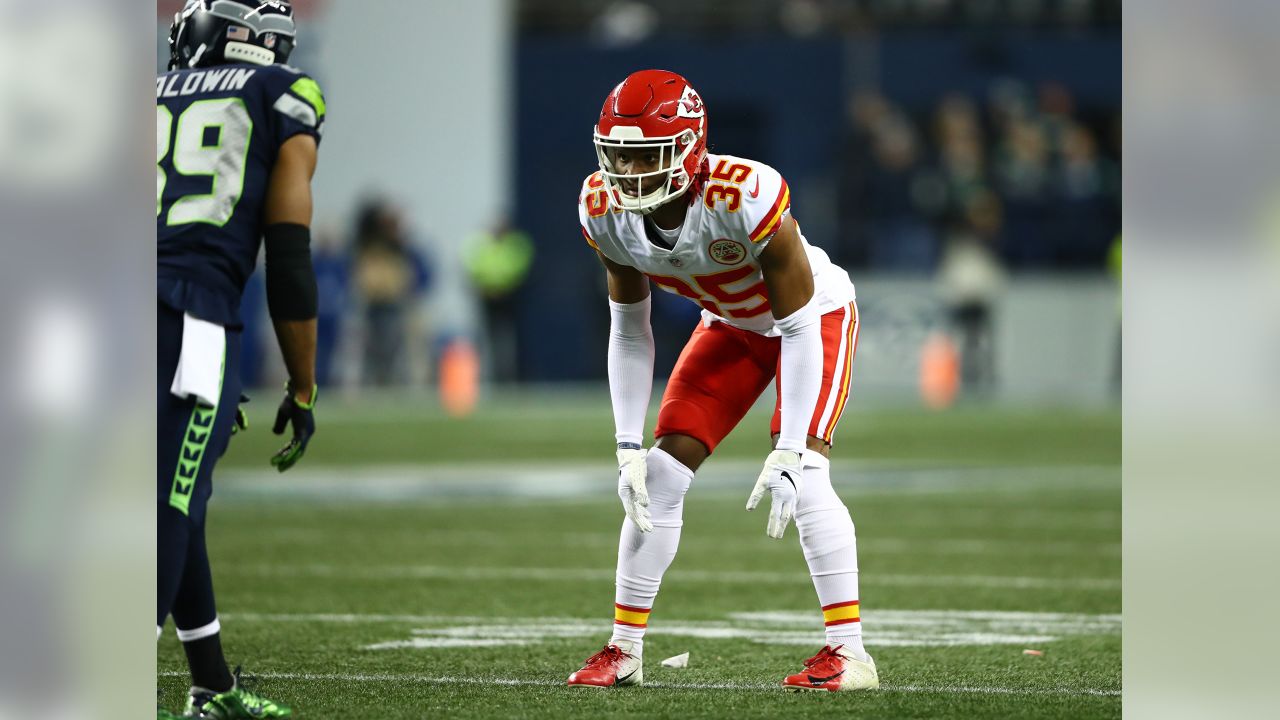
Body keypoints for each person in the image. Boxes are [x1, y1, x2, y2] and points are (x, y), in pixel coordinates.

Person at [567, 70, 877, 692]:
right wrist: (627, 444)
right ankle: (624, 648)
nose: (626, 172)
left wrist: (790, 446)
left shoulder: (745, 194)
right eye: (617, 154)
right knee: (654, 479)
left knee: (806, 474)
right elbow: (629, 328)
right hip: (732, 325)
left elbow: (796, 326)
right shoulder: (605, 211)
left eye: (643, 155)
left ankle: (850, 654)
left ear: (689, 149)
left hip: (812, 320)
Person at [157, 1, 324, 716]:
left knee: (177, 493)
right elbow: (287, 258)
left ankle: (213, 685)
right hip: (187, 313)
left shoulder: (152, 94)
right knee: (167, 503)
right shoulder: (285, 94)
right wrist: (305, 383)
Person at [464, 216, 534, 383]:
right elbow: (472, 270)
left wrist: (503, 288)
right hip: (487, 300)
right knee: (486, 339)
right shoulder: (482, 245)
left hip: (509, 300)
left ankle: (508, 377)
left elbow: (521, 269)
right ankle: (488, 378)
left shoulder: (515, 244)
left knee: (508, 340)